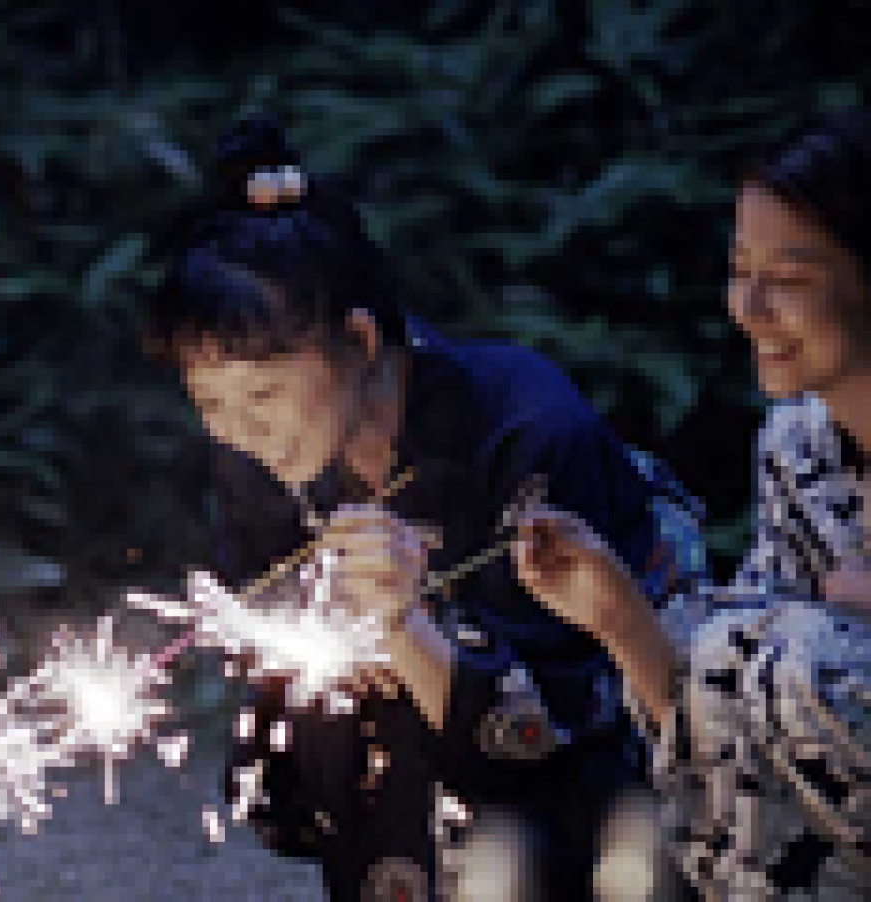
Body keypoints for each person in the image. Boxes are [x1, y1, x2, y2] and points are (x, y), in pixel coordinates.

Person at [140, 114, 679, 900]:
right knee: (324, 711)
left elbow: (568, 690)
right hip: (408, 716)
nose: (240, 429)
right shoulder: (256, 456)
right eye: (208, 402)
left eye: (262, 393)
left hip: (580, 713)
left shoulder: (524, 428)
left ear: (360, 342)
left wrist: (404, 626)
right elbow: (254, 611)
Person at [514, 110, 871, 901]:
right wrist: (618, 615)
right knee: (740, 650)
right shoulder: (798, 441)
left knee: (796, 652)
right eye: (741, 268)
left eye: (791, 278)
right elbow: (725, 687)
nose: (749, 306)